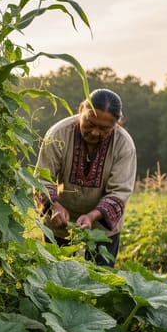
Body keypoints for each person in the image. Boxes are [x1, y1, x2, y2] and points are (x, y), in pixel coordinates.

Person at [34, 88, 136, 267]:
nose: (95, 132)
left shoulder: (124, 145)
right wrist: (54, 207)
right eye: (89, 124)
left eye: (104, 129)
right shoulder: (58, 135)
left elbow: (119, 191)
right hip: (60, 218)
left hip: (101, 226)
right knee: (57, 274)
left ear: (117, 123)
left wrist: (91, 216)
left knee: (100, 280)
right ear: (81, 111)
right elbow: (42, 179)